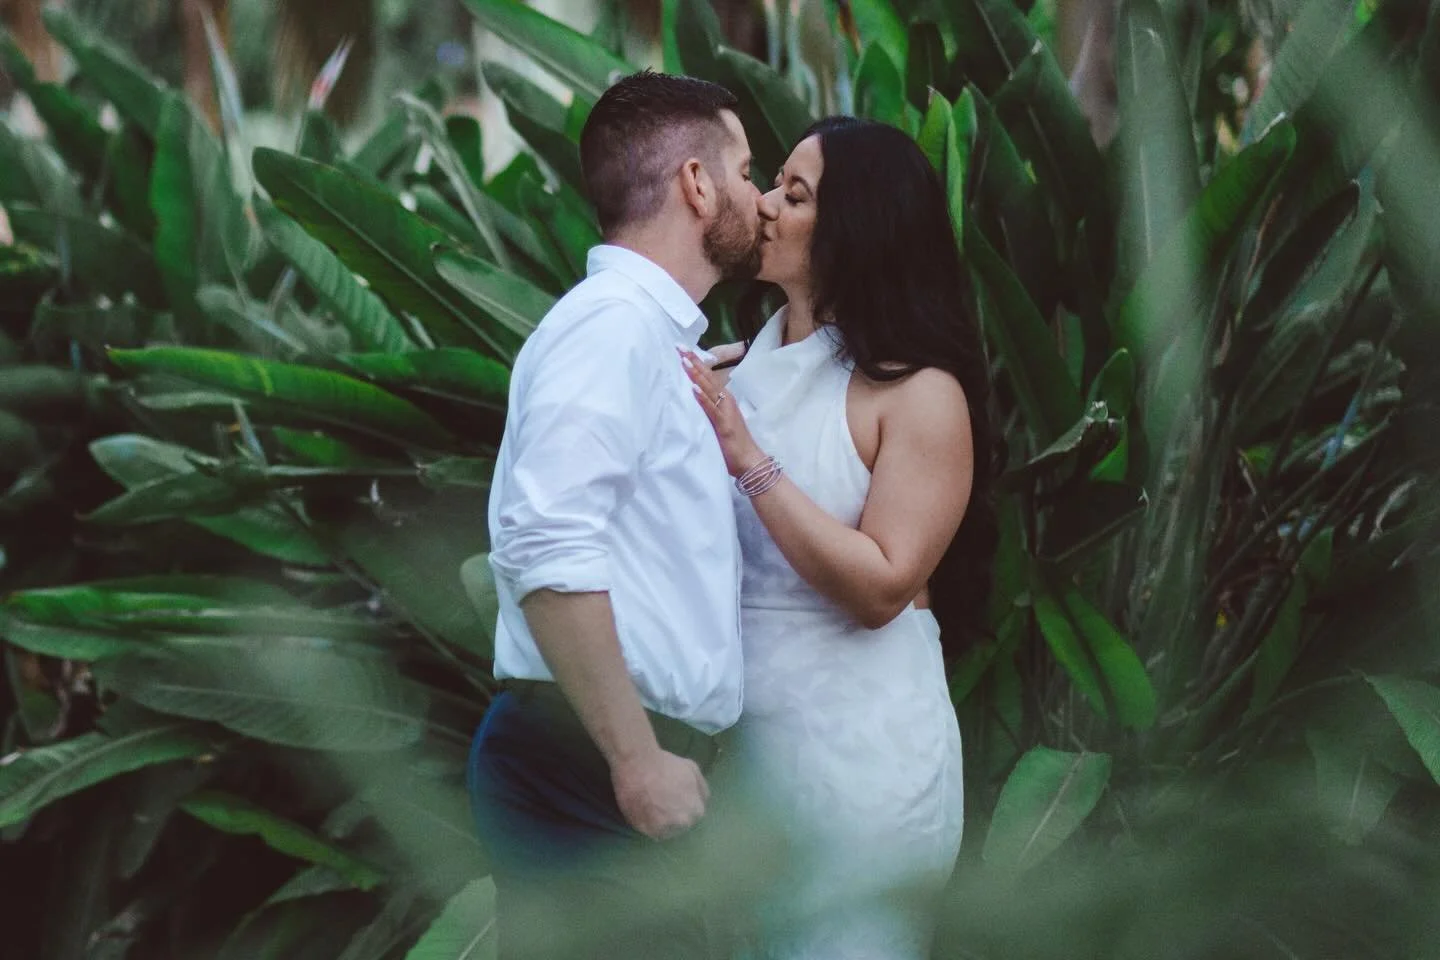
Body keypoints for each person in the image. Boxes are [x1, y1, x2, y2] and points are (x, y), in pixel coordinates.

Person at [681, 116, 998, 959]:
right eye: (773, 184)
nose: (766, 207)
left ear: (859, 227)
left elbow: (882, 586)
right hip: (752, 750)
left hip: (864, 755)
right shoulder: (734, 374)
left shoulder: (920, 395)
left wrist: (747, 458)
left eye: (796, 193)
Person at [468, 70, 764, 960]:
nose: (757, 192)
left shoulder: (649, 338)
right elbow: (545, 544)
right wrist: (635, 759)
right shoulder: (611, 331)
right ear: (696, 184)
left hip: (598, 758)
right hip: (587, 763)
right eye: (745, 169)